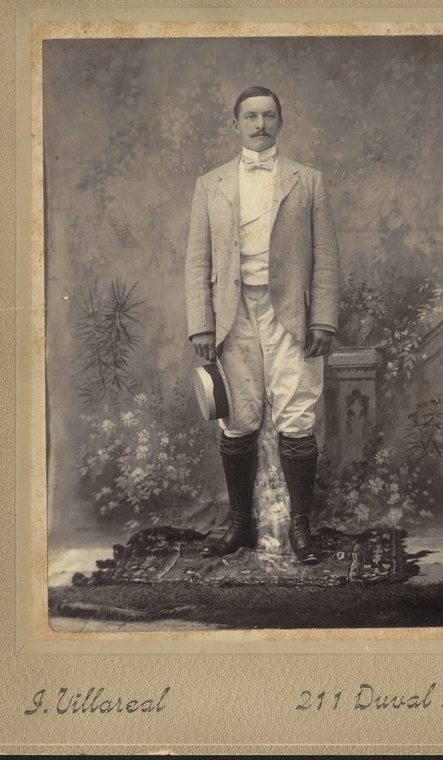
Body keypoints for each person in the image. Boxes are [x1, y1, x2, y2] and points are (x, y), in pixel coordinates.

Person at [185, 86, 340, 564]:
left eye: (268, 116)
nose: (259, 124)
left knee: (297, 416)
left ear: (280, 122)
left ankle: (300, 525)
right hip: (233, 316)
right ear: (235, 125)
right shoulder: (210, 184)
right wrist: (201, 324)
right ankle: (240, 523)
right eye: (250, 117)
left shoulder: (307, 180)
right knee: (240, 418)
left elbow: (326, 257)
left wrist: (323, 319)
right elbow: (197, 259)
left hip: (289, 312)